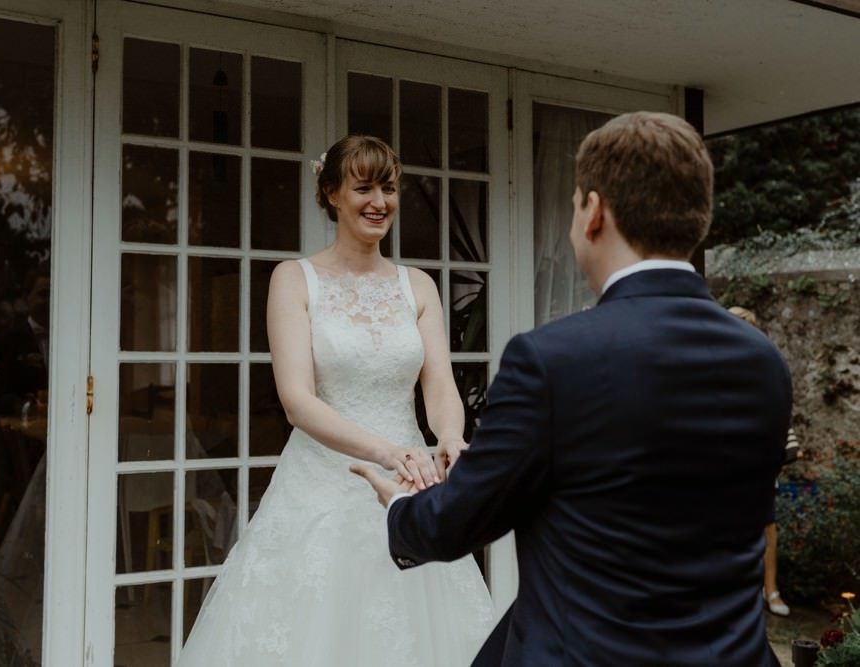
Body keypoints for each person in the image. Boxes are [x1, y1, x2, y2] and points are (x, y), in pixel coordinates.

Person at [353, 112, 792, 665]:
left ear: (593, 212)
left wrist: (400, 507)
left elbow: (457, 522)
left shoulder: (551, 360)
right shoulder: (764, 361)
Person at [177, 135, 494, 666]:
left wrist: (450, 436)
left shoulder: (417, 287)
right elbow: (298, 402)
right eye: (363, 187)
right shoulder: (294, 280)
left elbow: (439, 386)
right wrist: (388, 453)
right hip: (321, 488)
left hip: (410, 484)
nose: (380, 202)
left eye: (388, 188)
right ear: (330, 193)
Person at [728, 305, 801, 617]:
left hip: (757, 458)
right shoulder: (715, 366)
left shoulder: (763, 365)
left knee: (767, 525)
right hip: (726, 462)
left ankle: (770, 590)